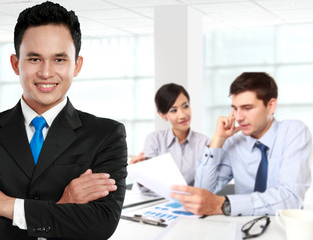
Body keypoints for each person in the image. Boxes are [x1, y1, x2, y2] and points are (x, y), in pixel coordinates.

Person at [0, 2, 127, 240]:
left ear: (76, 65)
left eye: (59, 60)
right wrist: (63, 204)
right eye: (34, 59)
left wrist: (8, 206)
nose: (46, 72)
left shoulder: (106, 134)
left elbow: (100, 224)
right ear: (16, 64)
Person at [170, 72, 312, 216]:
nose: (238, 117)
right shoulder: (234, 141)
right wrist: (217, 141)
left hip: (283, 227)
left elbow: (291, 198)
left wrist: (225, 204)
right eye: (235, 108)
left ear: (270, 106)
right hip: (243, 227)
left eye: (247, 108)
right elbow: (203, 193)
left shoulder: (294, 132)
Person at [130, 83, 210, 186]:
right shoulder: (154, 140)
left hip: (190, 200)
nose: (182, 115)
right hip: (158, 200)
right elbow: (147, 187)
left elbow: (206, 185)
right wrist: (139, 173)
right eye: (173, 110)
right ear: (163, 115)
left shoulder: (204, 143)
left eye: (185, 106)